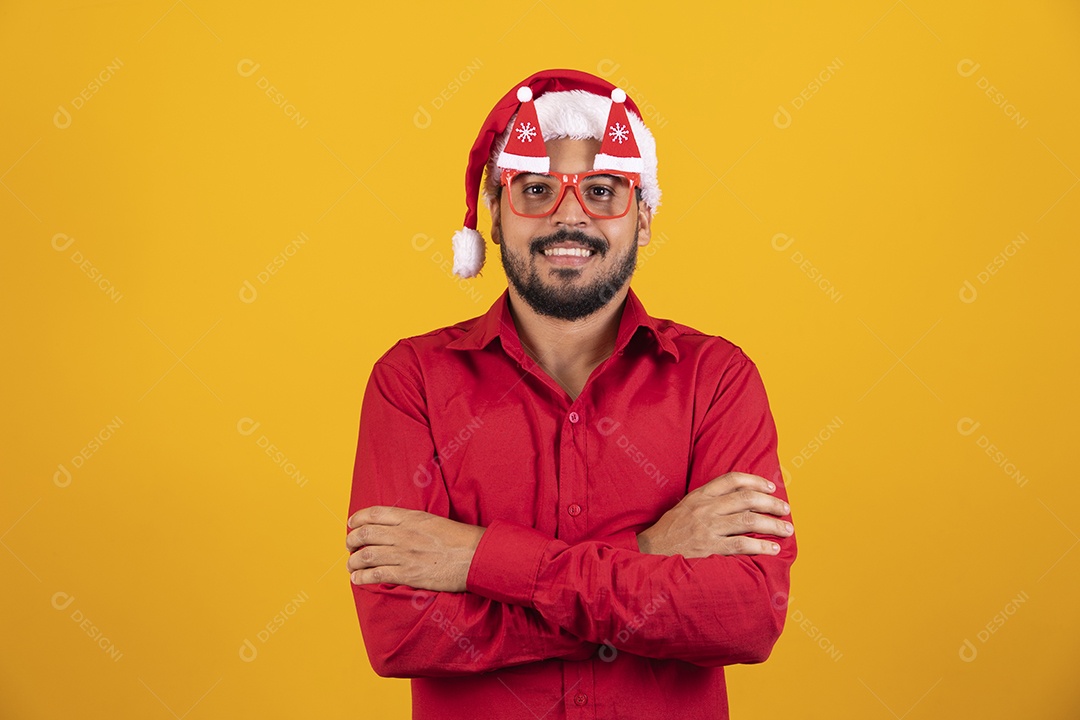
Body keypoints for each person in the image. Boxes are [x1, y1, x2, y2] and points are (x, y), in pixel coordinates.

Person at [345, 68, 796, 720]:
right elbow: (402, 633)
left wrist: (477, 561)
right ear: (494, 214)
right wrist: (645, 555)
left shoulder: (717, 380)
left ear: (644, 218)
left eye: (602, 191)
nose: (569, 215)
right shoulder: (411, 380)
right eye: (535, 189)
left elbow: (744, 618)